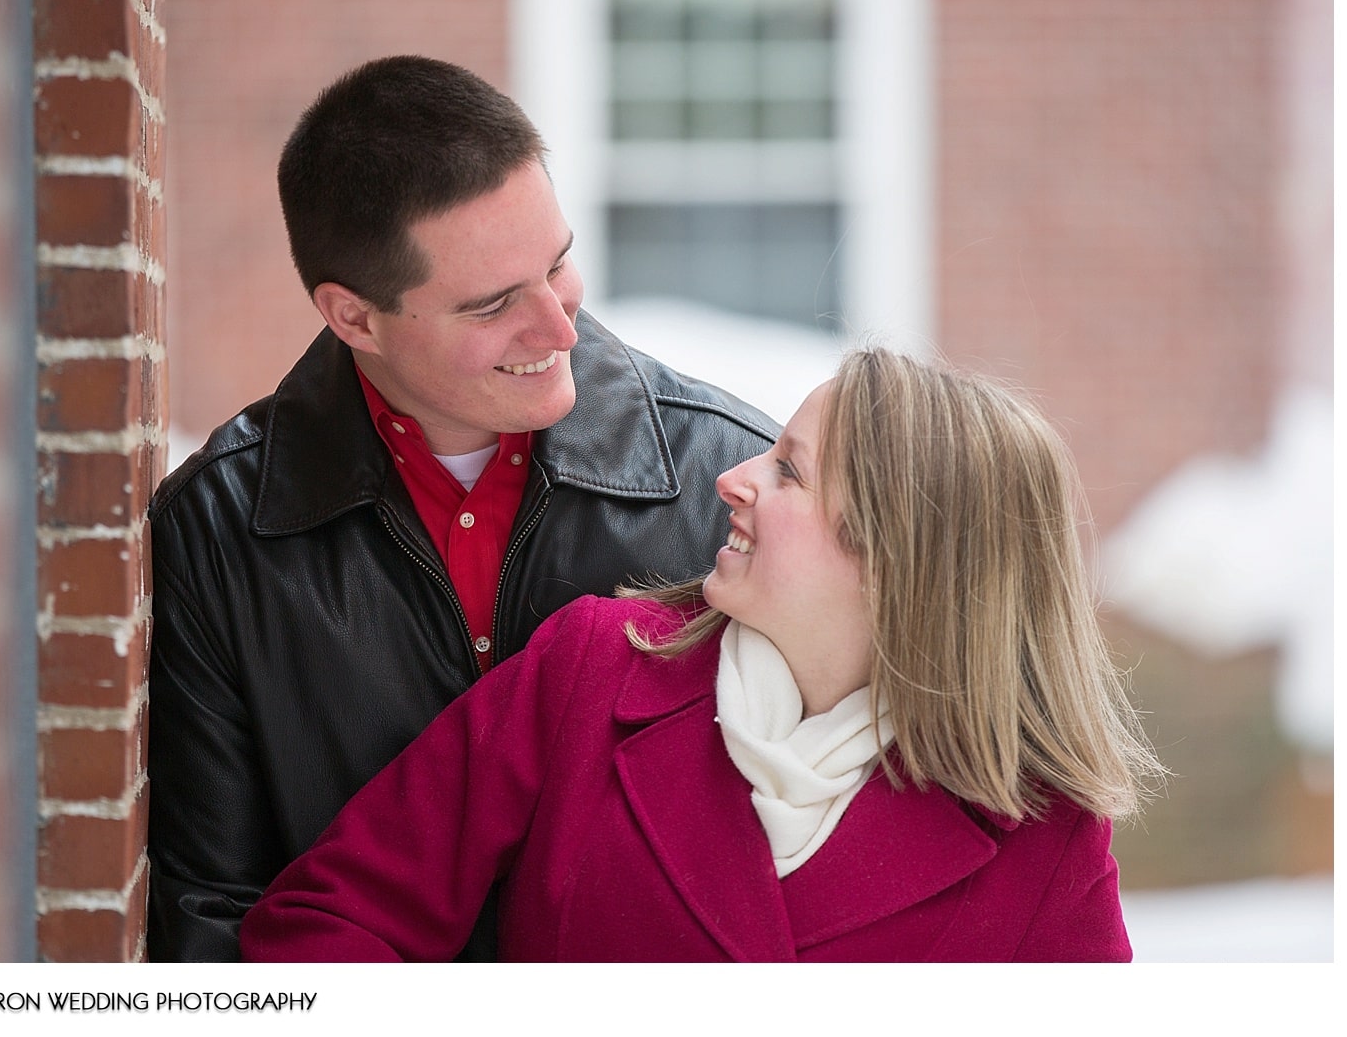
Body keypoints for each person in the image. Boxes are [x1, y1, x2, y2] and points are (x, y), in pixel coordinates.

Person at [145, 55, 779, 961]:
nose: (560, 329)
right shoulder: (217, 527)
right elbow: (213, 910)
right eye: (493, 304)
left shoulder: (729, 476)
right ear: (355, 318)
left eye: (558, 264)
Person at [240, 347, 1168, 963]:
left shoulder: (1044, 838)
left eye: (789, 471)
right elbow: (329, 924)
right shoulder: (590, 672)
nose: (733, 478)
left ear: (900, 561)